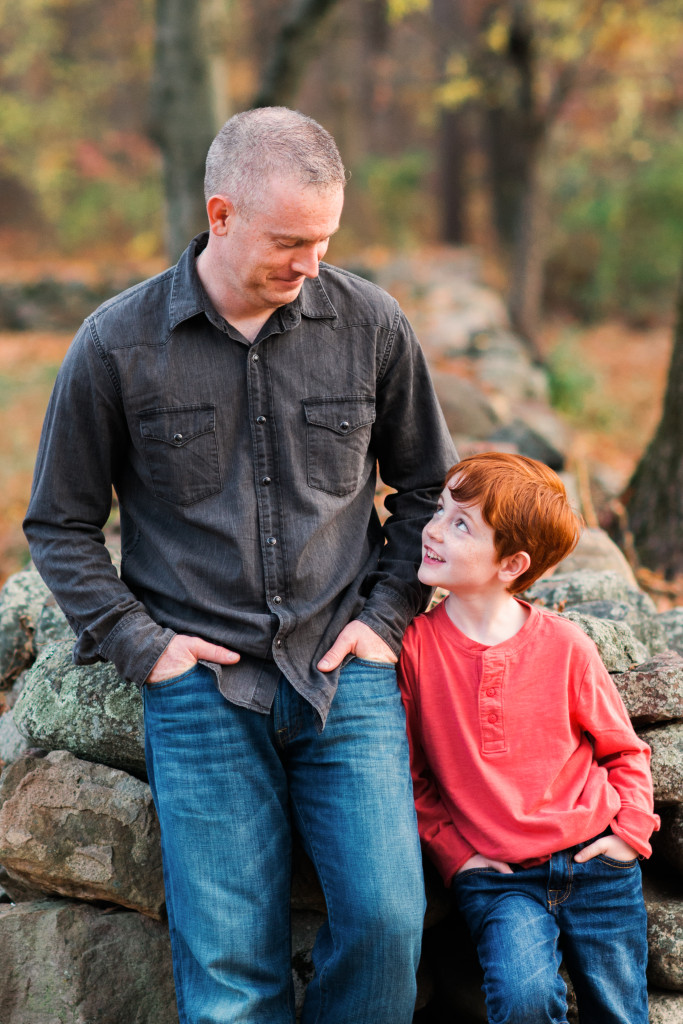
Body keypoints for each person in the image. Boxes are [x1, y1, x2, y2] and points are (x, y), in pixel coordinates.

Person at [23, 107, 457, 1024]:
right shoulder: (115, 343)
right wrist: (146, 647)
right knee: (226, 976)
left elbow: (426, 492)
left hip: (345, 679)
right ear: (220, 215)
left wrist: (383, 621)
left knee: (387, 921)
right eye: (289, 241)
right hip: (199, 690)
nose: (308, 265)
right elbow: (59, 524)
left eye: (325, 240)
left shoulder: (370, 324)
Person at [398, 451, 660, 1024]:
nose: (433, 529)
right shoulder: (416, 648)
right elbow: (411, 774)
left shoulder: (566, 646)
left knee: (620, 1012)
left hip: (598, 865)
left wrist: (629, 834)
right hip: (501, 881)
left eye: (460, 523)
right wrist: (457, 855)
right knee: (521, 1002)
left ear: (512, 563)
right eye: (440, 510)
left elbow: (623, 748)